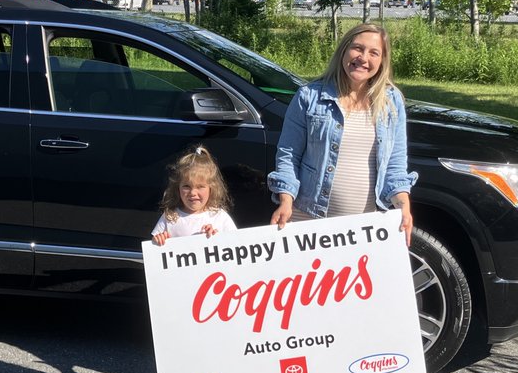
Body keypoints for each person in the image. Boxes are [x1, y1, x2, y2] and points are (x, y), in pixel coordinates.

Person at [268, 23, 417, 245]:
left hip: (364, 229)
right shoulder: (309, 96)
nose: (363, 58)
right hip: (308, 221)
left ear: (382, 61)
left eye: (374, 53)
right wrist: (286, 200)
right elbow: (289, 155)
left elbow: (395, 164)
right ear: (344, 51)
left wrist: (404, 208)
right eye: (358, 48)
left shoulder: (391, 101)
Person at [151, 146, 237, 245]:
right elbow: (154, 248)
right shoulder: (170, 217)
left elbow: (235, 245)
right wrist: (158, 240)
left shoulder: (219, 217)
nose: (192, 193)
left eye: (200, 187)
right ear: (177, 188)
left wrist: (217, 238)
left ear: (211, 188)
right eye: (186, 186)